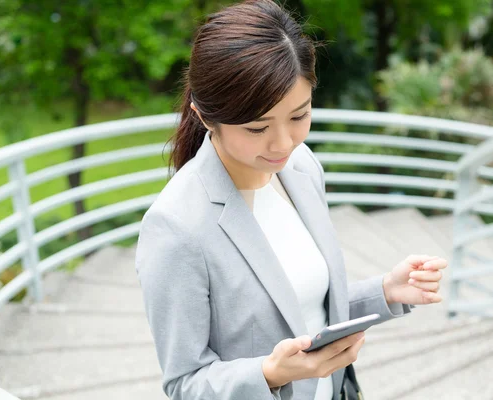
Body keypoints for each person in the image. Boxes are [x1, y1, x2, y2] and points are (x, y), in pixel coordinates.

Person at [134, 0, 448, 399]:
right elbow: (184, 383)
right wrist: (269, 373)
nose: (283, 143)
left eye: (299, 116)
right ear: (203, 115)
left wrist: (385, 291)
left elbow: (299, 306)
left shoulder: (300, 167)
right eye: (257, 127)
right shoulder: (177, 226)